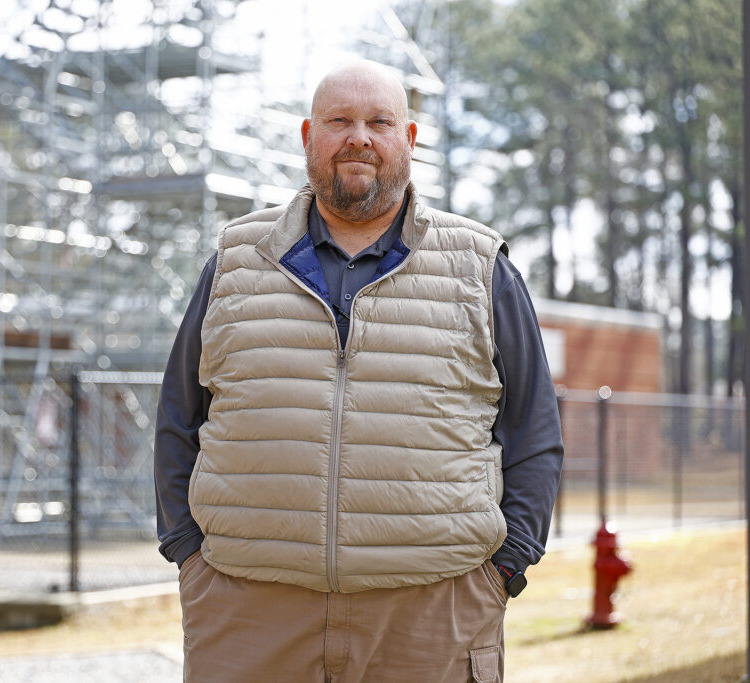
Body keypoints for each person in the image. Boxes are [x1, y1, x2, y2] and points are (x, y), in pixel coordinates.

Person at [154, 59, 563, 683]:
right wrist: (187, 553)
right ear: (307, 136)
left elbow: (534, 431)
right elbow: (179, 417)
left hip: (431, 616)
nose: (359, 137)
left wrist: (506, 569)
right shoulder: (235, 260)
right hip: (248, 617)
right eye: (339, 120)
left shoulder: (481, 268)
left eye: (380, 121)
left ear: (410, 139)